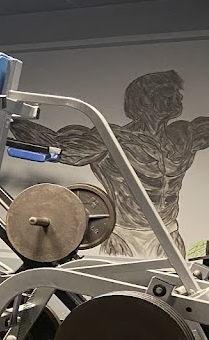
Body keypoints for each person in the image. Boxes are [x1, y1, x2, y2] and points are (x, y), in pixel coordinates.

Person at [11, 70, 209, 257]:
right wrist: (8, 120)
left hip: (169, 233)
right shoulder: (112, 140)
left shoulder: (186, 136)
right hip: (124, 237)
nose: (178, 97)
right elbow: (55, 145)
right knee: (117, 284)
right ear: (145, 101)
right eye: (168, 92)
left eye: (177, 92)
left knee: (175, 282)